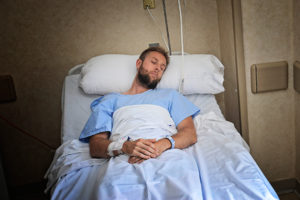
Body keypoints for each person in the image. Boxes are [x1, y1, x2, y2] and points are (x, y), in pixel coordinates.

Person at [79, 46, 200, 164]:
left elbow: (189, 134)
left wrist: (158, 146)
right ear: (138, 64)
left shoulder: (171, 96)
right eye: (154, 62)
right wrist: (125, 147)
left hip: (167, 155)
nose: (158, 68)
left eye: (162, 68)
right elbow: (95, 146)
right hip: (124, 158)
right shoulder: (110, 100)